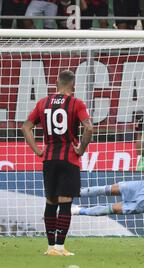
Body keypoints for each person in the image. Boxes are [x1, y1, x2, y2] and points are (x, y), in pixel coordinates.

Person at [21, 70, 93, 256]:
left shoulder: (43, 103)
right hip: (69, 158)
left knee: (50, 202)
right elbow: (89, 127)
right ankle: (60, 247)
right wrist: (81, 149)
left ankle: (50, 247)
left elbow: (26, 127)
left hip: (49, 158)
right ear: (73, 86)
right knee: (65, 203)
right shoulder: (76, 103)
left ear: (56, 84)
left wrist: (38, 150)